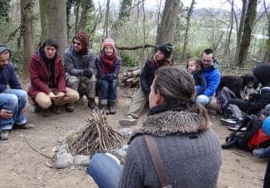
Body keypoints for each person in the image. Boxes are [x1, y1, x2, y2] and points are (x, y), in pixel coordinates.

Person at [88, 67, 222, 188]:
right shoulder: (213, 138)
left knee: (98, 161)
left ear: (158, 96)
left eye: (151, 89)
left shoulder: (142, 146)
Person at [118, 42, 173, 126]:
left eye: (161, 53)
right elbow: (143, 76)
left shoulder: (168, 66)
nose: (157, 54)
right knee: (138, 97)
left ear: (165, 56)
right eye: (158, 51)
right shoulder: (150, 62)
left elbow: (168, 81)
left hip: (160, 90)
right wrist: (145, 88)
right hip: (147, 87)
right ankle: (131, 117)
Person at [28, 39, 79, 117]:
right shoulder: (35, 59)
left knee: (75, 96)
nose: (50, 52)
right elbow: (35, 79)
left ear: (56, 50)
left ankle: (54, 104)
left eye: (52, 49)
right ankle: (44, 106)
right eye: (48, 49)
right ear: (43, 48)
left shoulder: (57, 58)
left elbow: (62, 75)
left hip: (55, 88)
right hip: (40, 90)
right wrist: (48, 91)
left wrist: (61, 90)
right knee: (45, 102)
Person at [63, 32, 97, 110]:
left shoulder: (90, 53)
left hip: (83, 74)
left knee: (92, 78)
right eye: (74, 42)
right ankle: (71, 102)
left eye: (78, 43)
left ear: (84, 44)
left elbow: (91, 67)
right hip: (71, 73)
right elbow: (70, 69)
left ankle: (91, 100)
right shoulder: (68, 53)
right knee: (73, 80)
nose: (75, 45)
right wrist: (83, 72)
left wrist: (90, 71)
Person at [95, 37, 121, 114]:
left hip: (113, 79)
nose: (109, 50)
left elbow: (116, 74)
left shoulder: (117, 60)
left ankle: (111, 104)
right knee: (105, 83)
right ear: (103, 49)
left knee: (113, 82)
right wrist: (110, 76)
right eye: (106, 48)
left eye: (110, 48)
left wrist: (109, 76)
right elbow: (101, 74)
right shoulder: (99, 59)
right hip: (101, 79)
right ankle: (104, 104)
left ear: (113, 49)